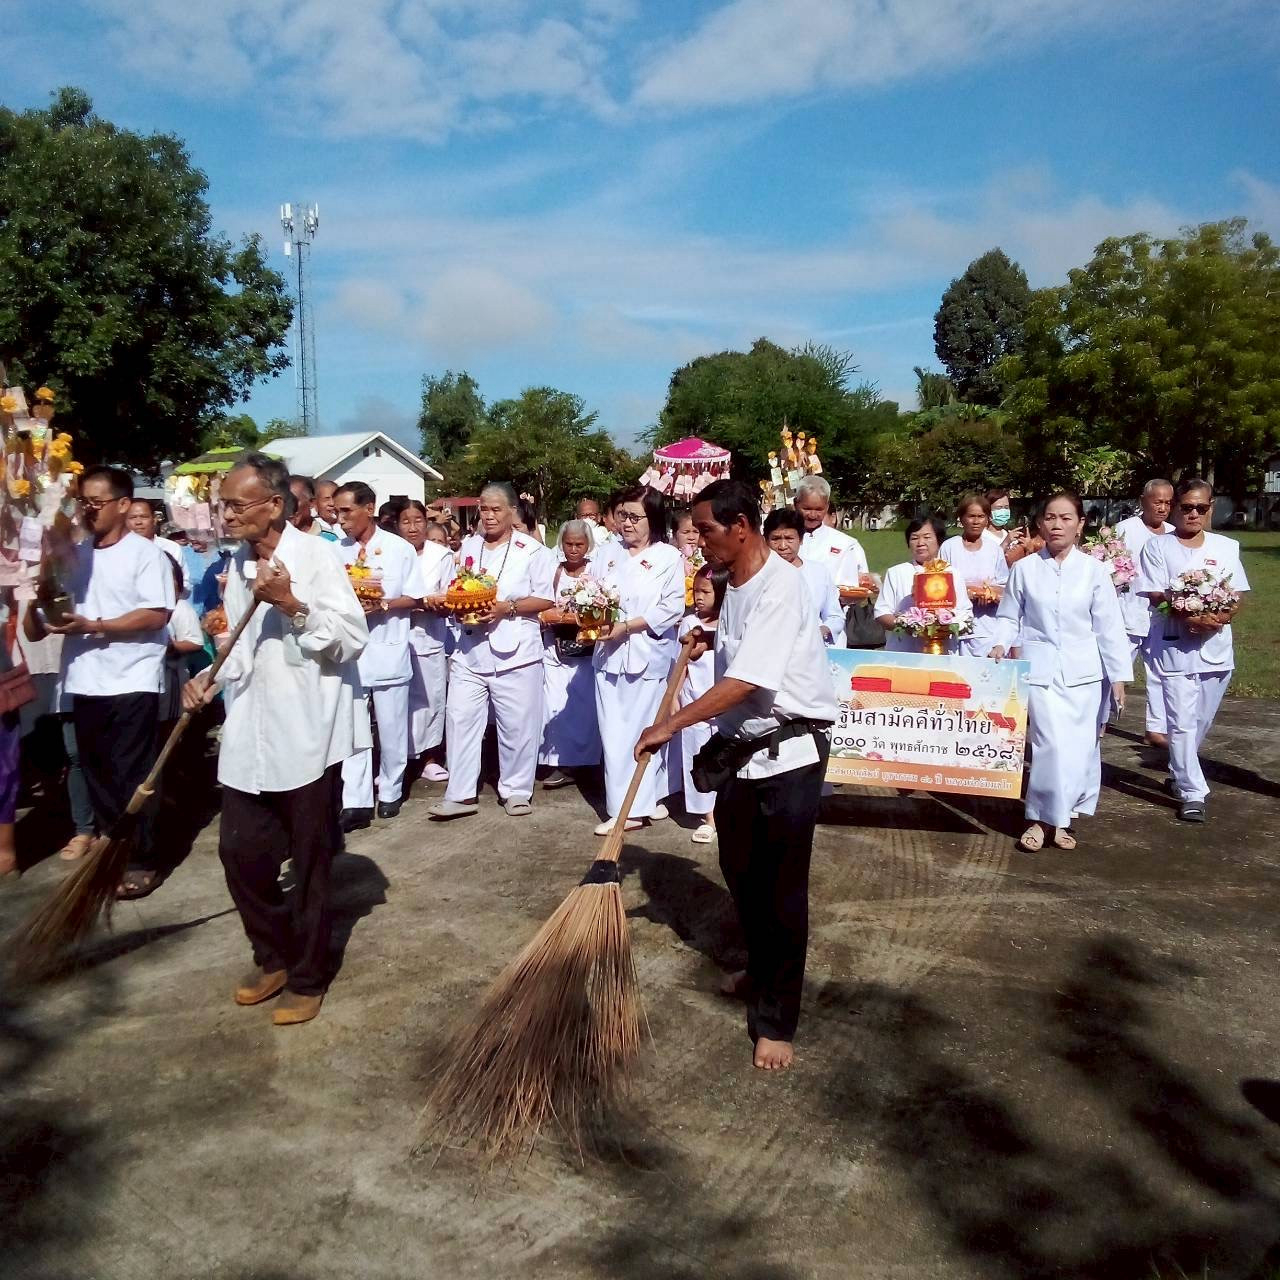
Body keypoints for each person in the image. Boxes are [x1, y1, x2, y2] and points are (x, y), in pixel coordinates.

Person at [635, 480, 837, 1072]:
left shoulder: (782, 586)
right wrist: (707, 637)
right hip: (743, 753)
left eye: (707, 529)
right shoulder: (733, 582)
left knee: (781, 890)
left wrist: (669, 724)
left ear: (741, 526)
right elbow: (736, 636)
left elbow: (747, 681)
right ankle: (761, 966)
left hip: (790, 757)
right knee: (739, 870)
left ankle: (777, 1019)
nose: (699, 540)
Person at [182, 453, 369, 1026]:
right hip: (252, 731)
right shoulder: (236, 565)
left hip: (308, 733)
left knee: (311, 863)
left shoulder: (316, 557)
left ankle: (309, 974)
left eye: (237, 504)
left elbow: (350, 638)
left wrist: (292, 604)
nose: (228, 514)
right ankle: (272, 956)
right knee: (239, 852)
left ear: (274, 505)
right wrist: (208, 679)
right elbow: (239, 654)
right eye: (223, 505)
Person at [25, 466, 176, 899]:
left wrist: (95, 624)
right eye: (83, 502)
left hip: (131, 679)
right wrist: (42, 595)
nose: (88, 510)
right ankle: (113, 846)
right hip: (85, 681)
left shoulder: (145, 555)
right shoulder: (74, 555)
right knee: (96, 772)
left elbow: (155, 614)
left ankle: (143, 858)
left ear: (124, 505)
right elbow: (43, 622)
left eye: (97, 502)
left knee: (133, 774)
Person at [990, 492, 1131, 853]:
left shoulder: (1095, 571)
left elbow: (1109, 627)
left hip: (1084, 673)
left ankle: (1063, 817)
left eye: (1066, 518)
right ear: (1039, 523)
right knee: (1049, 745)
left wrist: (1117, 677)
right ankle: (1039, 819)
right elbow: (1008, 616)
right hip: (1040, 672)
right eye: (1050, 517)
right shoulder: (1024, 569)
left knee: (1080, 749)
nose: (1057, 525)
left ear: (1080, 525)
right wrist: (1001, 644)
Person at [429, 483, 555, 820]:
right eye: (484, 509)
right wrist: (452, 604)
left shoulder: (533, 551)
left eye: (496, 509)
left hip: (515, 652)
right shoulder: (469, 547)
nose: (489, 515)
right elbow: (458, 589)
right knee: (459, 719)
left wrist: (506, 608)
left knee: (517, 726)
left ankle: (515, 790)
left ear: (512, 511)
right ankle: (460, 793)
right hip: (469, 649)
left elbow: (545, 599)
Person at [1136, 478, 1249, 823]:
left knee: (1200, 719)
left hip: (1215, 645)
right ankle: (1192, 792)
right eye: (1187, 507)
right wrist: (1189, 615)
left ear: (1210, 508)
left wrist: (1219, 616)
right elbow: (1156, 593)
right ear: (1175, 508)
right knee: (1181, 723)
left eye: (1201, 507)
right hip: (1175, 643)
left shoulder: (1226, 546)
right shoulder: (1158, 547)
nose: (1194, 514)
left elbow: (1238, 592)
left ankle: (1179, 768)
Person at [591, 485, 684, 835]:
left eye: (634, 517)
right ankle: (631, 804)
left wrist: (628, 626)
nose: (626, 523)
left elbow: (671, 607)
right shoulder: (606, 553)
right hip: (608, 654)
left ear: (654, 519)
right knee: (612, 733)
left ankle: (634, 806)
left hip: (646, 652)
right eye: (622, 516)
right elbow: (592, 592)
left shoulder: (668, 557)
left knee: (641, 730)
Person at [333, 482, 425, 829]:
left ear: (368, 508)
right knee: (353, 730)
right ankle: (354, 801)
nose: (340, 520)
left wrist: (382, 605)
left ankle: (390, 790)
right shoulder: (335, 551)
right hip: (350, 654)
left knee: (391, 727)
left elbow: (416, 597)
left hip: (387, 647)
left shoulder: (398, 548)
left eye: (346, 512)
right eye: (336, 512)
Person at [537, 520, 603, 790]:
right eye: (569, 544)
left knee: (585, 709)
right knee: (555, 705)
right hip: (556, 648)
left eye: (579, 544)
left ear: (588, 545)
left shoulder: (596, 571)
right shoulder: (553, 572)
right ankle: (560, 763)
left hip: (586, 652)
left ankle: (587, 763)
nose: (574, 549)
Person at [1115, 479, 1174, 748]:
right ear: (1143, 501)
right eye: (1157, 501)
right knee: (1115, 669)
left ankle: (1156, 727)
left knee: (1160, 672)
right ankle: (1100, 720)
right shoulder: (1124, 530)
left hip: (1163, 615)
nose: (1162, 508)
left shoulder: (1174, 533)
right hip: (1127, 611)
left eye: (1168, 503)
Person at [397, 500, 453, 783]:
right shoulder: (390, 551)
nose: (413, 527)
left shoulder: (440, 555)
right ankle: (400, 759)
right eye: (406, 521)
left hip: (429, 635)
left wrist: (424, 605)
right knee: (399, 702)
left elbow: (450, 598)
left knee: (431, 698)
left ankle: (430, 757)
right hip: (394, 636)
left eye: (418, 520)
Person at [679, 565, 727, 844]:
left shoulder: (728, 625)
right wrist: (674, 700)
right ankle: (706, 814)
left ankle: (723, 811)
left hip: (723, 704)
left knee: (723, 760)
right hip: (693, 702)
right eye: (695, 591)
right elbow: (681, 665)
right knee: (695, 757)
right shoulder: (689, 624)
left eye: (705, 591)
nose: (698, 597)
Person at [875, 517, 973, 652]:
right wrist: (907, 625)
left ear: (939, 541)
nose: (920, 543)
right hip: (904, 652)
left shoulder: (952, 574)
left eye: (927, 537)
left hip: (944, 651)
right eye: (914, 538)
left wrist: (947, 626)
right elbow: (881, 612)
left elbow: (965, 612)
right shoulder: (896, 573)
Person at [940, 493, 1010, 658]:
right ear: (962, 519)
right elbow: (940, 585)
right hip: (954, 626)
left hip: (987, 627)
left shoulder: (994, 549)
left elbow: (1004, 586)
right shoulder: (949, 547)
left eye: (981, 516)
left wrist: (990, 593)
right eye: (971, 516)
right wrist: (966, 594)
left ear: (987, 519)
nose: (976, 521)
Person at [763, 508, 845, 646]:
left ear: (800, 539)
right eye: (776, 539)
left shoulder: (818, 572)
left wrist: (821, 631)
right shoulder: (758, 574)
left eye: (789, 539)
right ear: (765, 540)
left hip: (812, 649)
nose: (782, 546)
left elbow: (834, 616)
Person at [793, 475, 869, 588]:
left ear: (827, 507)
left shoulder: (846, 544)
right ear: (795, 504)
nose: (813, 515)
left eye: (819, 509)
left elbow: (860, 584)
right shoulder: (781, 540)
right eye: (807, 509)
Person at [127, 497, 192, 595]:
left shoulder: (170, 548)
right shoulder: (117, 550)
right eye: (133, 517)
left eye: (144, 517)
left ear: (154, 519)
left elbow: (184, 585)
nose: (138, 522)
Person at [289, 475, 339, 542]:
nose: (287, 507)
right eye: (283, 501)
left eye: (293, 501)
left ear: (311, 503)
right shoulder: (274, 537)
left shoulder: (329, 540)